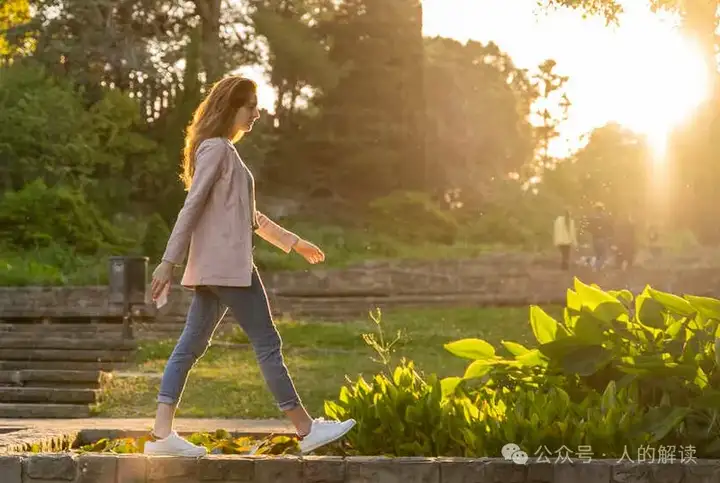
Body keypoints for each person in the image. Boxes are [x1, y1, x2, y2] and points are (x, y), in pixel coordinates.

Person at [143, 76, 356, 457]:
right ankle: (306, 430)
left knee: (189, 346)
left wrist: (293, 242)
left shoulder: (221, 151)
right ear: (231, 108)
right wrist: (167, 262)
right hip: (230, 270)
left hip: (215, 270)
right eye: (251, 106)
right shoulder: (217, 150)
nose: (257, 113)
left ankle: (161, 436)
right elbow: (191, 206)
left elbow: (249, 215)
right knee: (267, 344)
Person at [587, 203, 612, 270]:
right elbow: (609, 227)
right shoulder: (605, 217)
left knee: (597, 254)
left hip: (595, 238)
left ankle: (597, 267)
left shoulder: (592, 217)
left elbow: (588, 228)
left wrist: (593, 232)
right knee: (603, 254)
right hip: (603, 238)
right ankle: (598, 267)